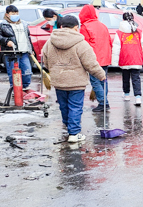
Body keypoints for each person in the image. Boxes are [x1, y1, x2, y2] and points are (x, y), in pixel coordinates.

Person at [41, 15, 106, 144]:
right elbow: (90, 63)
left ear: (61, 26)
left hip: (59, 80)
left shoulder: (50, 42)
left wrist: (53, 70)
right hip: (76, 82)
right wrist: (101, 75)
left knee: (64, 106)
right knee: (75, 107)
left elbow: (45, 59)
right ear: (76, 28)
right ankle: (74, 133)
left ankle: (68, 127)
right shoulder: (81, 43)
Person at [79, 4, 112, 112]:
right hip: (105, 58)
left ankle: (103, 103)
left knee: (95, 81)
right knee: (103, 80)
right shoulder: (102, 25)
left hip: (94, 59)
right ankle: (104, 101)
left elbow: (84, 45)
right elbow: (109, 42)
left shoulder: (85, 27)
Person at [111, 11, 143, 106]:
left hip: (125, 58)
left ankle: (127, 95)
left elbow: (116, 47)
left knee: (126, 77)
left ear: (123, 19)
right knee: (136, 78)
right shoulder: (138, 32)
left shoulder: (119, 33)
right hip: (136, 58)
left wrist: (114, 62)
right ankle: (138, 97)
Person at [0, 5, 34, 90]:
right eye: (13, 13)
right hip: (11, 54)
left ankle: (25, 87)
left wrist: (31, 49)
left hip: (24, 52)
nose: (15, 15)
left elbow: (28, 37)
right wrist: (6, 41)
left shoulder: (24, 24)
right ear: (7, 14)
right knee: (13, 73)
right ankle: (15, 89)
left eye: (16, 13)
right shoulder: (2, 26)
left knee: (27, 72)